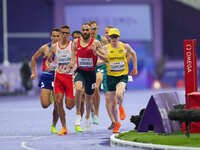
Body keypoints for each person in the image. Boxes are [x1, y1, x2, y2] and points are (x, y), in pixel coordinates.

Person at [69, 23, 108, 132]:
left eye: (87, 30)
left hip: (91, 73)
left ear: (90, 31)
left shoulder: (96, 43)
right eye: (83, 30)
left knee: (88, 97)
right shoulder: (76, 42)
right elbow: (73, 53)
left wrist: (96, 52)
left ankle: (87, 116)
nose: (85, 32)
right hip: (80, 71)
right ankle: (77, 115)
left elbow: (106, 58)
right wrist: (72, 62)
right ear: (81, 31)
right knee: (78, 88)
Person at [104, 28, 138, 133]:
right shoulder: (105, 48)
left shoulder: (125, 46)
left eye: (115, 36)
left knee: (119, 94)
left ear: (118, 37)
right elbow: (99, 58)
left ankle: (121, 107)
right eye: (112, 36)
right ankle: (117, 123)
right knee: (111, 102)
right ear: (109, 37)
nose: (114, 38)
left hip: (122, 75)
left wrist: (135, 68)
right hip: (110, 77)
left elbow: (133, 54)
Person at [30, 28, 61, 134]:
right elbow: (33, 58)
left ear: (61, 37)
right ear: (51, 37)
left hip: (59, 77)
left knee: (58, 103)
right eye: (54, 35)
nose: (56, 38)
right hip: (46, 76)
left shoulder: (64, 48)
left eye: (58, 36)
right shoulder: (44, 48)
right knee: (45, 104)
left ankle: (53, 125)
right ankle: (51, 96)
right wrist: (33, 72)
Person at [48, 25, 75, 135]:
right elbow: (49, 60)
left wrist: (73, 62)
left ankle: (77, 97)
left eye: (66, 33)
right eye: (62, 33)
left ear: (69, 35)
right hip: (59, 77)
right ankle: (64, 127)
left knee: (69, 106)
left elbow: (75, 58)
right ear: (60, 34)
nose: (64, 35)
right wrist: (50, 64)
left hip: (69, 78)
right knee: (58, 101)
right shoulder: (54, 47)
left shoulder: (73, 45)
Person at [88, 21, 108, 124]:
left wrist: (101, 60)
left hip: (99, 67)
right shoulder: (84, 40)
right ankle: (92, 110)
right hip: (88, 68)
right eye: (91, 29)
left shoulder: (102, 40)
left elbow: (107, 53)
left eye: (95, 29)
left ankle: (96, 113)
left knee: (96, 88)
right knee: (87, 93)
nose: (93, 31)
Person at [72, 31, 85, 117]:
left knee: (82, 98)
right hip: (70, 76)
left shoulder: (85, 48)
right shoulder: (69, 48)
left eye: (78, 37)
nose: (76, 39)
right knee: (71, 103)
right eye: (75, 37)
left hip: (82, 75)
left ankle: (79, 117)